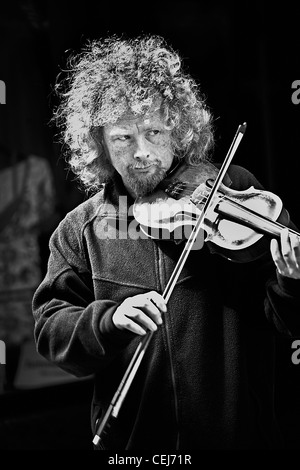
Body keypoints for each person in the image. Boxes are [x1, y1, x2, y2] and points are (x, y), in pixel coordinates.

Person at [32, 35, 300, 450]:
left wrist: (292, 283)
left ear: (177, 130)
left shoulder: (233, 191)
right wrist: (109, 320)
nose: (143, 152)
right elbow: (51, 330)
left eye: (154, 132)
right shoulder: (81, 229)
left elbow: (286, 323)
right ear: (99, 142)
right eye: (123, 137)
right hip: (137, 449)